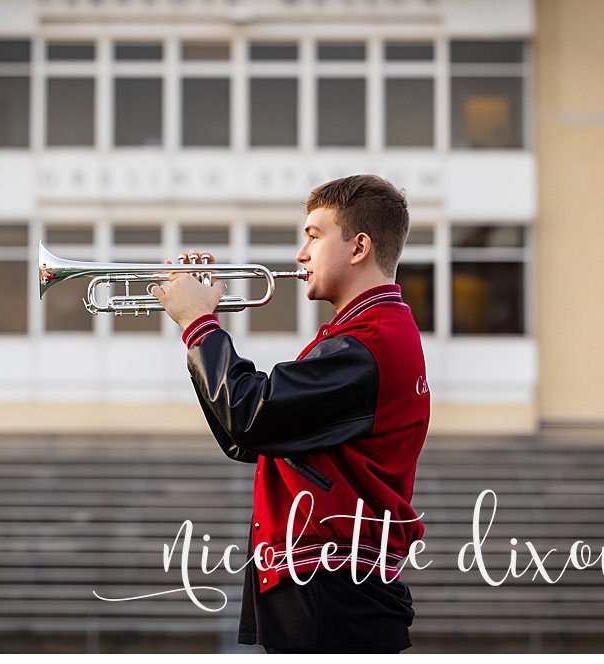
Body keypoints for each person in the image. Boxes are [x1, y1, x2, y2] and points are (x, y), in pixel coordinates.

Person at [150, 177, 429, 655]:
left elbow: (251, 415)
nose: (301, 254)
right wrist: (202, 329)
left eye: (314, 236)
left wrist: (199, 324)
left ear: (359, 246)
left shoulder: (369, 343)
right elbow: (249, 439)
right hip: (323, 581)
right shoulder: (362, 335)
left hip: (332, 584)